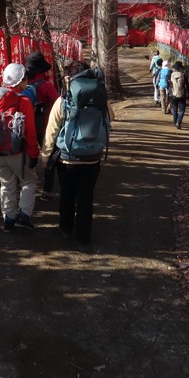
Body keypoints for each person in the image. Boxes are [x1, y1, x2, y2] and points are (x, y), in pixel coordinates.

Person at [41, 60, 113, 253]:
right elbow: (109, 118)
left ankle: (65, 229)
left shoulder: (64, 100)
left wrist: (45, 155)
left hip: (67, 158)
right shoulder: (100, 97)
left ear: (70, 78)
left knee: (67, 194)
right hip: (92, 158)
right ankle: (83, 239)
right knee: (85, 198)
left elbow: (52, 130)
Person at [0, 63, 40, 233]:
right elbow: (30, 132)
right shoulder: (23, 101)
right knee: (29, 180)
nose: (27, 82)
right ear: (20, 82)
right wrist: (34, 153)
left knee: (6, 184)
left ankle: (8, 219)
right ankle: (24, 214)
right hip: (17, 151)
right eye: (25, 79)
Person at [24, 50, 61, 200]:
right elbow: (59, 104)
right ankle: (47, 190)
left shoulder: (24, 83)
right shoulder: (46, 85)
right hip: (45, 126)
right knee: (50, 157)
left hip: (27, 126)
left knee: (26, 158)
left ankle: (25, 188)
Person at [169, 60, 189, 130]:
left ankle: (175, 123)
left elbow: (169, 86)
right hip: (182, 95)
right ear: (181, 68)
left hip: (173, 95)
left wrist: (169, 95)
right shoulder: (184, 75)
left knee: (174, 109)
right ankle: (178, 122)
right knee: (182, 110)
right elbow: (187, 86)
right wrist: (188, 95)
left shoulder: (171, 75)